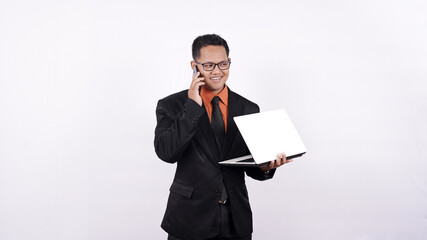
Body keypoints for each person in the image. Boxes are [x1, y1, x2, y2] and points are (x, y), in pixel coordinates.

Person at [154, 34, 292, 240]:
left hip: (235, 221)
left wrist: (266, 167)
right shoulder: (171, 105)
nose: (217, 71)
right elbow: (167, 152)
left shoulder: (248, 108)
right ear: (194, 66)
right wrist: (192, 107)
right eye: (208, 65)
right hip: (189, 218)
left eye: (223, 63)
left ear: (229, 62)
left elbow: (247, 164)